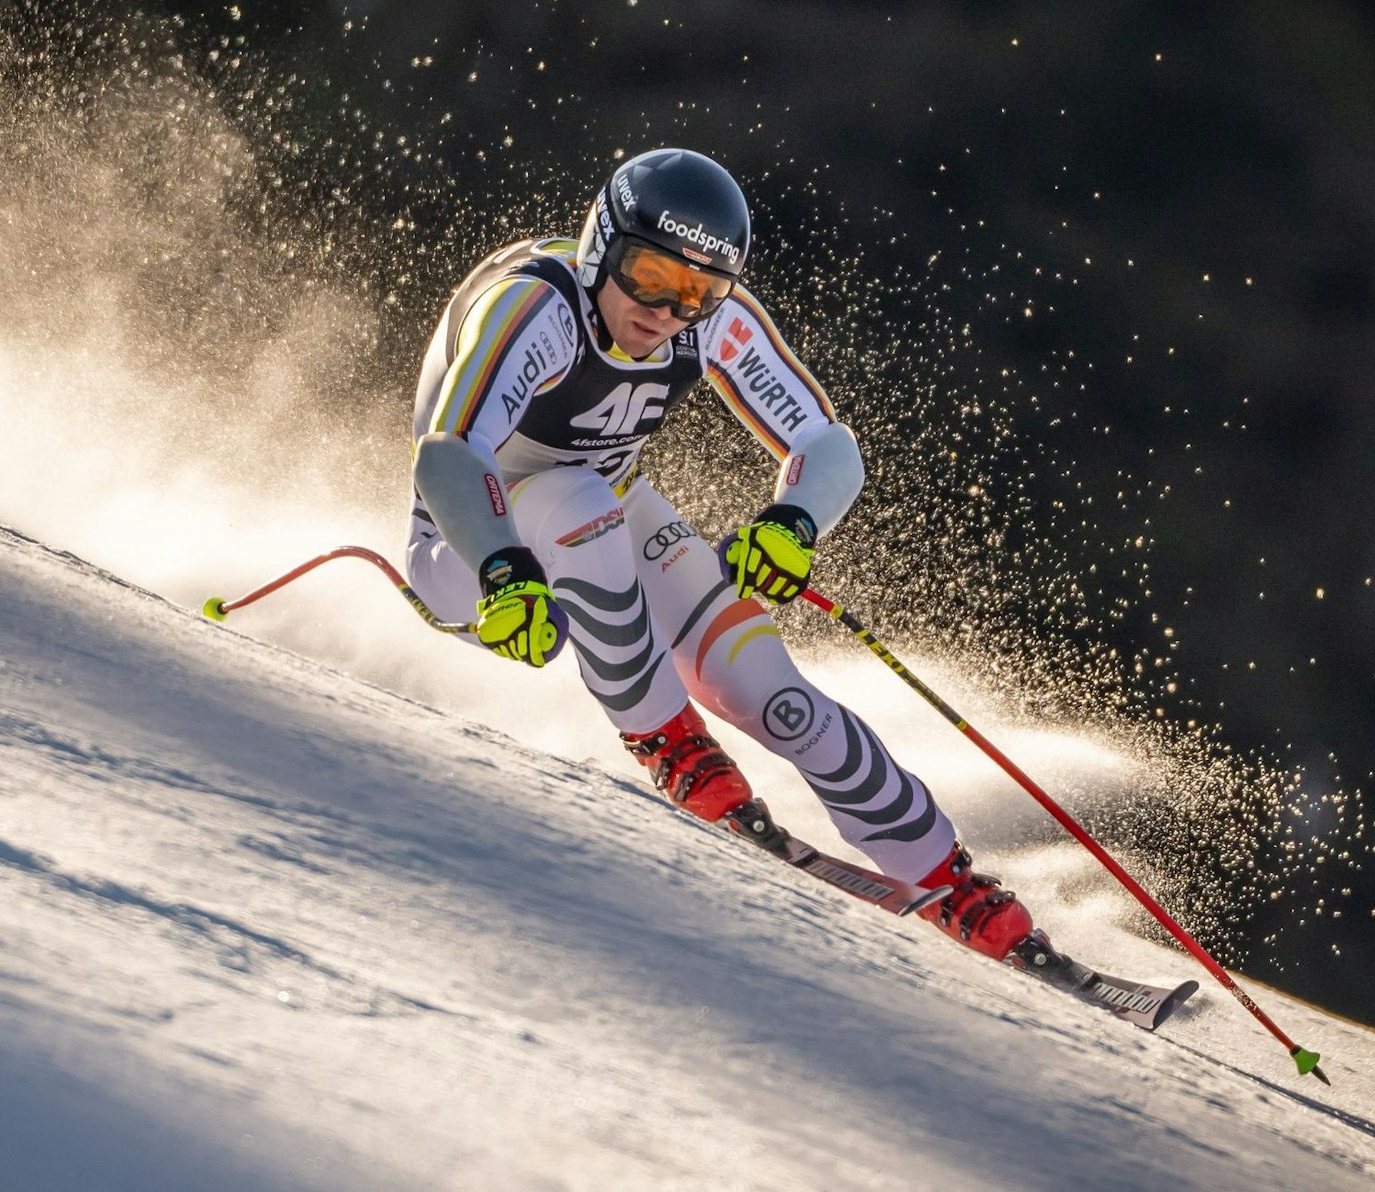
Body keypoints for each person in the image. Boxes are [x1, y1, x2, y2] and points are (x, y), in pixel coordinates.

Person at [404, 148, 1037, 965]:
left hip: (600, 513)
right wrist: (502, 570)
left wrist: (793, 525)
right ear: (601, 246)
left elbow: (826, 442)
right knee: (582, 499)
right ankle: (674, 747)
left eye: (699, 292)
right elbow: (449, 454)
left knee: (770, 690)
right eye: (648, 276)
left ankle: (952, 881)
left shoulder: (712, 324)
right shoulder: (536, 308)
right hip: (467, 549)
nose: (668, 311)